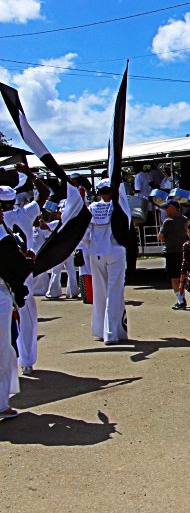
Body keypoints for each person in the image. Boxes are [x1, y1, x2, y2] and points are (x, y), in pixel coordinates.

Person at [1, 165, 49, 375]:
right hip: (23, 271)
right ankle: (27, 361)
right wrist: (30, 174)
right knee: (27, 315)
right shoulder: (26, 213)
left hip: (3, 272)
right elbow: (45, 193)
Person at [86, 180, 129, 344]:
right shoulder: (118, 206)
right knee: (114, 292)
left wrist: (87, 247)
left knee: (100, 292)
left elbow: (85, 232)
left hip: (96, 252)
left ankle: (100, 330)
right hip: (115, 251)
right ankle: (111, 333)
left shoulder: (92, 207)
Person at [0, 214, 32, 420]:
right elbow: (16, 269)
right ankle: (1, 404)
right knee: (3, 350)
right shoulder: (3, 239)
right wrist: (28, 261)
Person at [46, 201, 82, 299]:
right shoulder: (70, 223)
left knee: (58, 272)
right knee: (69, 272)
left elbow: (44, 227)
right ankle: (72, 292)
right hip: (67, 251)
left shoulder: (58, 223)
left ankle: (54, 292)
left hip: (61, 252)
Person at [159, 200, 188, 310]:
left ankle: (180, 301)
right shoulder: (185, 220)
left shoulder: (168, 221)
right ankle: (182, 298)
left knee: (174, 278)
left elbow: (160, 236)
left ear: (173, 207)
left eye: (167, 208)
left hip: (171, 251)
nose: (166, 210)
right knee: (181, 276)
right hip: (182, 251)